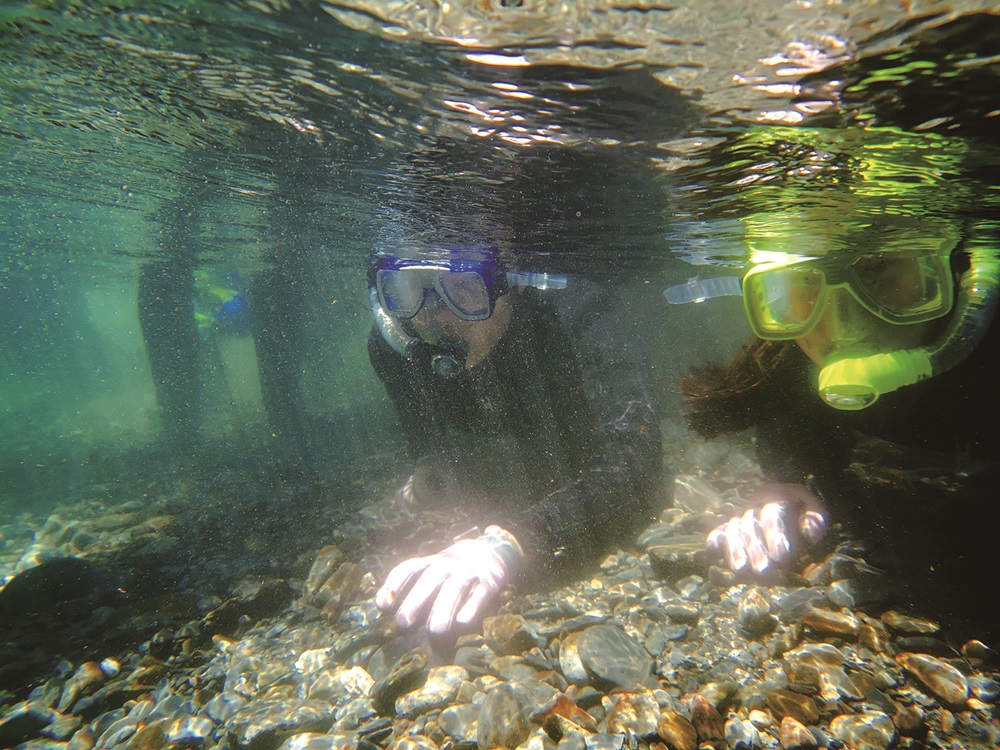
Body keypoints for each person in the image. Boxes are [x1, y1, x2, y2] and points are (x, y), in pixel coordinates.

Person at [675, 213, 1000, 635]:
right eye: (802, 284)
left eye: (879, 270)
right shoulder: (793, 364)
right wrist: (786, 475)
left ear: (955, 273)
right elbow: (790, 408)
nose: (844, 327)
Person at [367, 245, 663, 635]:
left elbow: (637, 456)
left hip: (575, 440)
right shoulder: (392, 348)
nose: (434, 317)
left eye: (462, 287)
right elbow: (424, 440)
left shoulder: (576, 311)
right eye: (408, 289)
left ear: (510, 285)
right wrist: (429, 468)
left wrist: (513, 542)